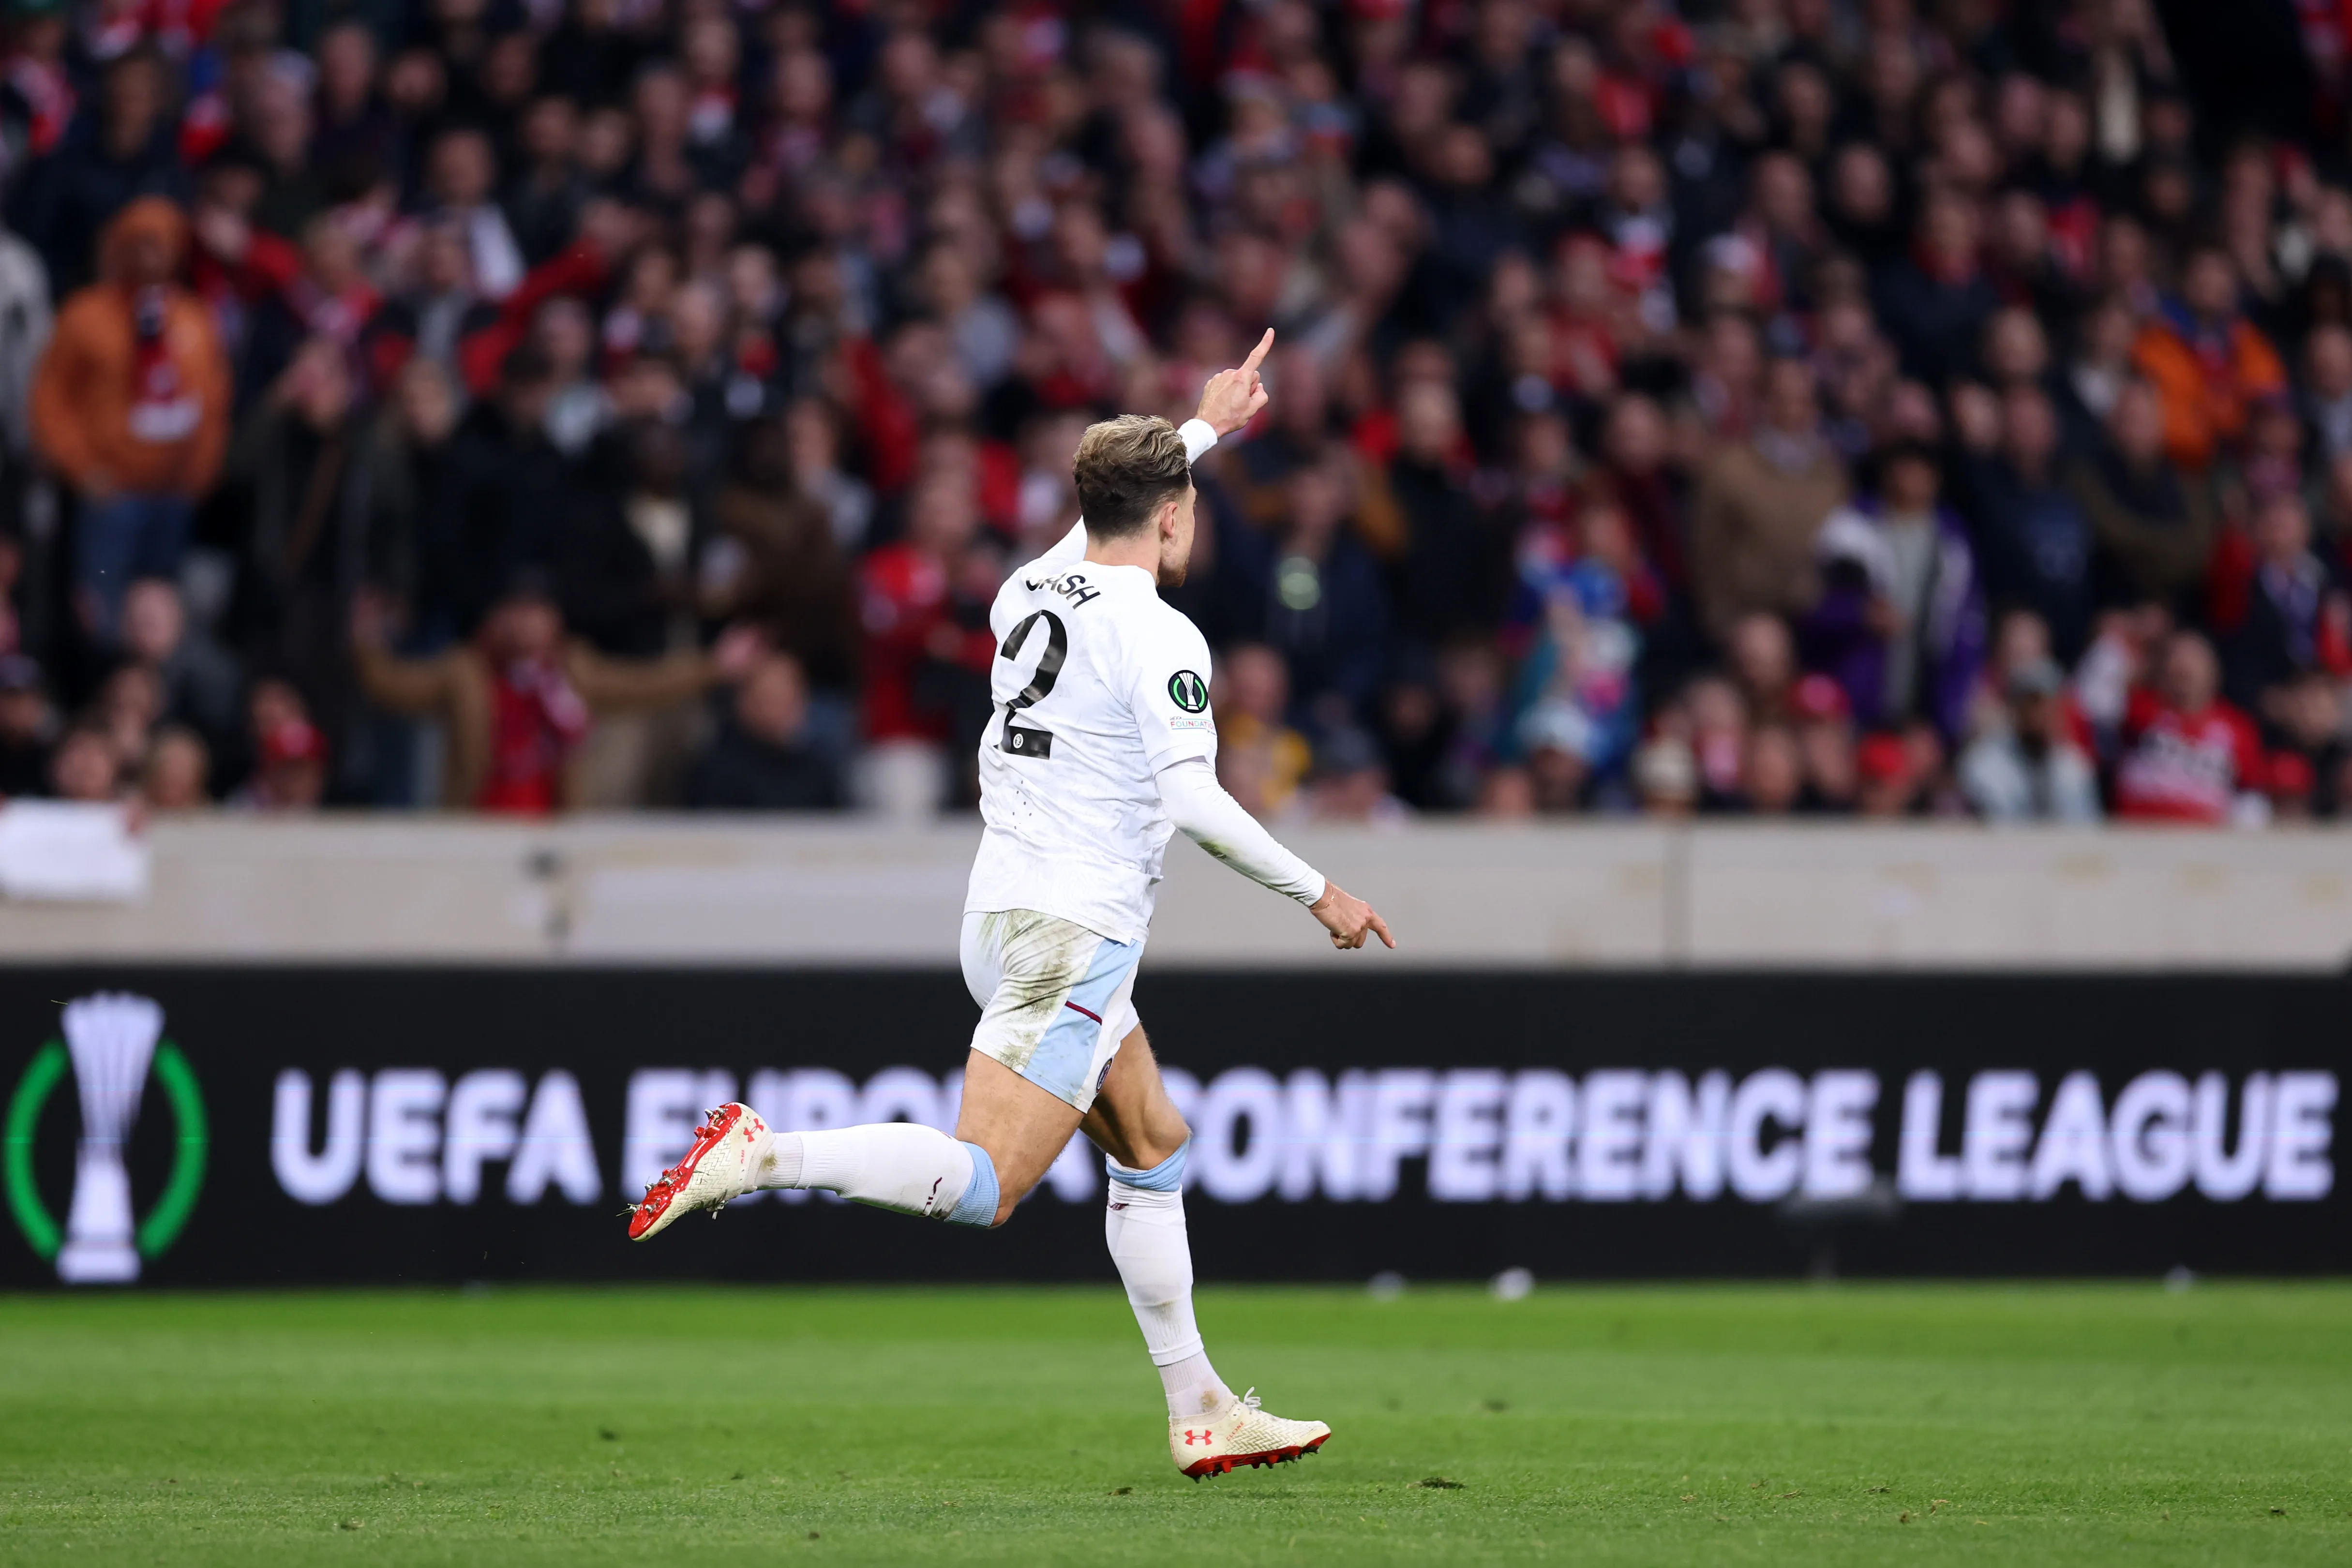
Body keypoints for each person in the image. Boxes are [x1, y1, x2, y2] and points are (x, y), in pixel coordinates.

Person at [626, 334, 1393, 1478]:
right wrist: (1320, 890)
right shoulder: (1162, 635)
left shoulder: (1026, 588)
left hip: (1001, 919)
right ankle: (765, 1153)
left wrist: (1203, 426)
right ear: (1174, 515)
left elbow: (1114, 513)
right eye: (1186, 501)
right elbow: (1193, 799)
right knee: (987, 1185)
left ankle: (1200, 1408)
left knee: (1153, 1143)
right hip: (1071, 934)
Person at [30, 196, 229, 644]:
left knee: (159, 614)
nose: (148, 255)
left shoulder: (195, 317)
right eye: (138, 243)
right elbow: (50, 401)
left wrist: (200, 472)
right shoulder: (86, 315)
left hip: (173, 495)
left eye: (159, 244)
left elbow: (214, 401)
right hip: (111, 495)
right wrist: (83, 468)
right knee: (101, 614)